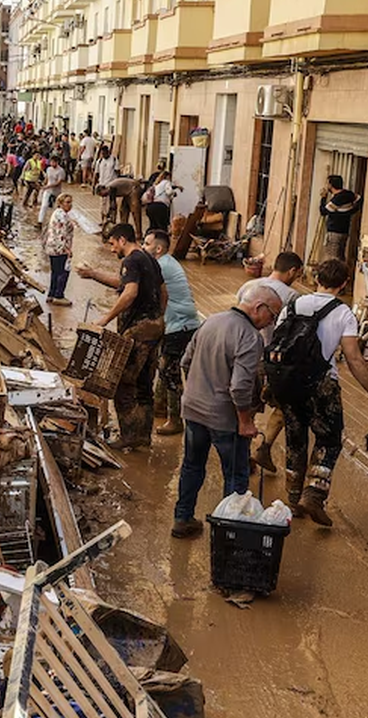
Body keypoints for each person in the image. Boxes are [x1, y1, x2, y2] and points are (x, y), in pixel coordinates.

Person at [269, 257, 368, 526]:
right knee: (329, 440)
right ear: (344, 283)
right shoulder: (343, 313)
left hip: (289, 383)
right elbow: (355, 359)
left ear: (316, 279)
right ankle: (313, 495)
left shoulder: (292, 305)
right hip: (321, 386)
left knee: (295, 439)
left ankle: (293, 499)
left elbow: (276, 342)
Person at [171, 285, 283, 538]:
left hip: (193, 410)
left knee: (192, 466)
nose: (270, 323)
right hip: (224, 419)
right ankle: (227, 533)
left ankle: (182, 518)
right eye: (272, 315)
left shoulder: (211, 321)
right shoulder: (249, 337)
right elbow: (240, 387)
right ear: (259, 308)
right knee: (235, 476)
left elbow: (185, 362)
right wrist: (244, 421)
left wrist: (200, 390)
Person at [78, 223, 167, 451]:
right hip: (155, 328)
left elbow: (130, 292)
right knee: (145, 385)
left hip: (138, 330)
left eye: (111, 243)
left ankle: (128, 435)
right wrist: (157, 317)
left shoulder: (131, 260)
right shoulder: (149, 259)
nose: (111, 249)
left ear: (122, 240)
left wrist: (106, 318)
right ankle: (143, 436)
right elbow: (161, 291)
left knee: (122, 384)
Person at [238, 251, 305, 473]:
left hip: (248, 355)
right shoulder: (293, 297)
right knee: (285, 405)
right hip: (277, 361)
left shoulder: (249, 287)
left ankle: (244, 454)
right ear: (293, 271)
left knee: (247, 407)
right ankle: (264, 448)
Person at [143, 229, 202, 436]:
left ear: (158, 248)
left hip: (180, 326)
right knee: (165, 365)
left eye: (147, 243)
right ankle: (161, 407)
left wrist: (95, 275)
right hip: (181, 323)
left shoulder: (160, 266)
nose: (144, 247)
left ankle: (176, 420)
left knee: (169, 371)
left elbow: (136, 289)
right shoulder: (166, 262)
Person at [319, 174, 363, 265]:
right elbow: (359, 199)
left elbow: (323, 211)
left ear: (331, 185)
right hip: (344, 231)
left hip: (334, 232)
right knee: (341, 256)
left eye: (328, 184)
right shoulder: (349, 194)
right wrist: (351, 211)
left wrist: (323, 198)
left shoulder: (337, 199)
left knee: (333, 257)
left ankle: (334, 277)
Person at [43, 194, 76, 306]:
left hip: (52, 247)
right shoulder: (61, 216)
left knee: (55, 272)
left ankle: (51, 294)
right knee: (63, 272)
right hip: (59, 248)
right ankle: (59, 295)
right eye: (67, 202)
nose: (70, 205)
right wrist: (67, 249)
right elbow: (61, 234)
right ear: (60, 203)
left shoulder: (58, 213)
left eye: (70, 202)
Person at [144, 167, 175, 233]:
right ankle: (163, 240)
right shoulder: (166, 182)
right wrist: (173, 193)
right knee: (162, 227)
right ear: (167, 177)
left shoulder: (156, 184)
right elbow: (169, 192)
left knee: (153, 226)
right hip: (161, 207)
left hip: (151, 207)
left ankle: (148, 238)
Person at [38, 156, 66, 226]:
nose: (52, 163)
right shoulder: (48, 169)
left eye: (54, 162)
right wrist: (44, 184)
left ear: (57, 162)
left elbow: (58, 182)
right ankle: (40, 221)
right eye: (51, 162)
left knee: (56, 208)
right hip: (48, 191)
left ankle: (56, 222)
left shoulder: (61, 171)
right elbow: (47, 178)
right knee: (44, 206)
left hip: (56, 192)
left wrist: (48, 186)